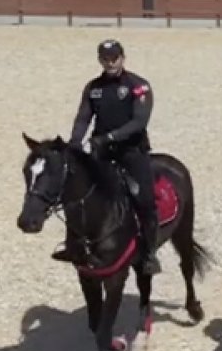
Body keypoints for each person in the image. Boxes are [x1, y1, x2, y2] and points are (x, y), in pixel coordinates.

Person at [62, 38, 162, 275]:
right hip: (101, 153)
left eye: (114, 58)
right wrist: (75, 141)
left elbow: (139, 122)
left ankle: (149, 253)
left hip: (132, 152)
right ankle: (73, 245)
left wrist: (109, 138)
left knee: (145, 200)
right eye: (105, 59)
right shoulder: (93, 88)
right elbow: (83, 117)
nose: (110, 63)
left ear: (122, 58)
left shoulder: (139, 86)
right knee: (77, 194)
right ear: (100, 60)